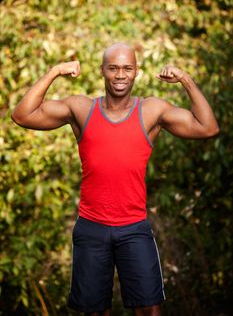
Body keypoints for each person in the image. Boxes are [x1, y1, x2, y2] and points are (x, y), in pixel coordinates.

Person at [11, 43, 220, 316]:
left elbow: (208, 127)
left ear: (136, 73)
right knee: (95, 312)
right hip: (91, 229)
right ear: (103, 71)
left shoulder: (151, 111)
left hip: (134, 229)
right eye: (113, 68)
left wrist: (186, 80)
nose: (120, 74)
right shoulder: (82, 109)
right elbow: (22, 115)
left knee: (148, 311)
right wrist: (55, 72)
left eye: (127, 68)